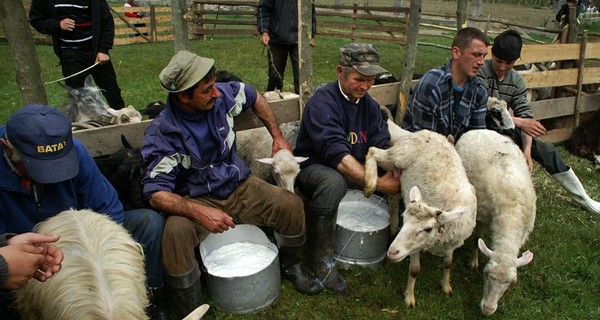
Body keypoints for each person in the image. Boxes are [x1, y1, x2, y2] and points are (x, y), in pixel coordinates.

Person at [141, 50, 321, 318]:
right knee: (175, 235)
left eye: (214, 85)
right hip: (197, 198)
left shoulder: (221, 97)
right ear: (183, 96)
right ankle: (190, 303)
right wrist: (199, 211)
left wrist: (277, 136)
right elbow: (155, 193)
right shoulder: (163, 134)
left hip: (239, 184)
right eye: (206, 90)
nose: (215, 93)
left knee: (290, 204)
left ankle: (291, 266)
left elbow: (253, 94)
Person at [0, 105, 166, 319]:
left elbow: (108, 207)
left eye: (59, 166)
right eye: (39, 167)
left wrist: (92, 248)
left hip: (80, 239)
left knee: (148, 222)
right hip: (22, 250)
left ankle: (145, 301)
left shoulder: (75, 151)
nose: (51, 177)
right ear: (7, 148)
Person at [294, 43, 401, 293]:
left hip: (353, 168)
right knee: (333, 183)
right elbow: (339, 157)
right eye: (358, 79)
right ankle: (322, 261)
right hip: (315, 169)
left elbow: (381, 146)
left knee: (398, 175)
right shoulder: (323, 103)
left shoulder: (371, 107)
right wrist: (378, 183)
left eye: (370, 80)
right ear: (340, 71)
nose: (365, 86)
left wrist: (394, 171)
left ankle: (393, 241)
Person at [477, 29, 600, 214]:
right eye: (498, 61)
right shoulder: (480, 72)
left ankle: (583, 198)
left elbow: (525, 116)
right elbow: (480, 107)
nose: (502, 67)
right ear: (492, 54)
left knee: (546, 149)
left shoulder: (516, 81)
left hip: (505, 127)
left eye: (508, 63)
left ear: (516, 60)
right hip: (479, 127)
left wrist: (527, 151)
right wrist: (518, 122)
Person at [29, 0, 126, 110]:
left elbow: (107, 21)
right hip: (70, 54)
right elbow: (36, 20)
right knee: (77, 97)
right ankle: (86, 124)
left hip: (96, 52)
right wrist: (58, 24)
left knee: (112, 91)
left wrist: (103, 50)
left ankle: (123, 119)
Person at [402, 27, 490, 141]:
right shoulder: (432, 86)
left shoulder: (479, 91)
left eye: (484, 56)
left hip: (454, 152)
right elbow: (424, 141)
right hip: (418, 148)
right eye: (476, 55)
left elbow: (477, 139)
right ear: (456, 52)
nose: (481, 62)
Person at [256, 0, 317, 94]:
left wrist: (312, 34)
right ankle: (273, 104)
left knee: (302, 78)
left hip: (300, 40)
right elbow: (263, 9)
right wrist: (264, 31)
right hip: (276, 39)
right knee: (275, 77)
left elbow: (310, 10)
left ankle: (304, 106)